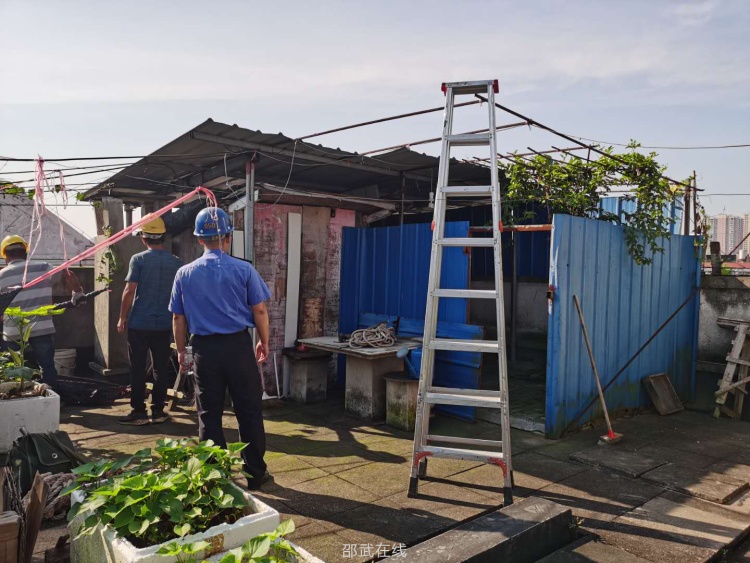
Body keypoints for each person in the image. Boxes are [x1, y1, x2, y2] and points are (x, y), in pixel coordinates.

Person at [169, 207, 272, 490]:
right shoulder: (244, 269)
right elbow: (260, 310)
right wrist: (264, 341)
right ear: (227, 237)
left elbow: (178, 317)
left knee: (208, 412)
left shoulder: (184, 274)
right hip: (238, 346)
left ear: (200, 239)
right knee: (249, 409)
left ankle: (215, 475)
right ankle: (255, 472)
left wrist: (181, 351)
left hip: (204, 350)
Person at [117, 216, 183, 425]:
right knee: (160, 369)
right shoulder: (177, 263)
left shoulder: (139, 259)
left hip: (139, 323)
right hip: (164, 324)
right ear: (162, 237)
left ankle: (138, 412)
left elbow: (129, 291)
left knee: (137, 367)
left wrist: (122, 317)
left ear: (143, 238)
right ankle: (158, 411)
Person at [0, 234, 84, 388]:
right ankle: (52, 398)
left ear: (5, 256)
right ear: (25, 253)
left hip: (12, 330)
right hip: (42, 327)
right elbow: (67, 271)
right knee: (47, 366)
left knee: (12, 367)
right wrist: (78, 293)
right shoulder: (43, 267)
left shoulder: (1, 275)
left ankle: (17, 399)